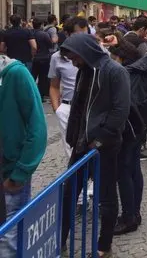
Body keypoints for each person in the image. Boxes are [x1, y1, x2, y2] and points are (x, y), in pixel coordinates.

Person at [60, 33, 131, 258]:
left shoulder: (115, 71)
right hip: (82, 145)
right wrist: (73, 136)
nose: (73, 62)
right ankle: (60, 240)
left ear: (85, 52)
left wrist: (99, 140)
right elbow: (79, 106)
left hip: (104, 147)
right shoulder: (84, 70)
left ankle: (104, 246)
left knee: (106, 197)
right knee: (69, 193)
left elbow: (120, 111)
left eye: (75, 57)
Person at [0, 54, 47, 256]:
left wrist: (19, 173)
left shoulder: (16, 74)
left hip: (9, 174)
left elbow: (37, 128)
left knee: (8, 239)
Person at [107, 38, 146, 236]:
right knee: (134, 170)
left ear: (121, 58)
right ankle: (134, 212)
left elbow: (122, 104)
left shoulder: (124, 74)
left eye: (113, 57)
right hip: (138, 125)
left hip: (128, 127)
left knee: (124, 171)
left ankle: (129, 216)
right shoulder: (137, 69)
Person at [48, 19, 80, 158]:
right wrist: (58, 109)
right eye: (77, 34)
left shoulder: (94, 54)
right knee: (70, 150)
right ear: (67, 34)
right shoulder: (57, 58)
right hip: (67, 107)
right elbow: (54, 85)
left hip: (90, 108)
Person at [30, 17, 53, 100]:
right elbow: (50, 45)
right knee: (43, 78)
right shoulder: (44, 34)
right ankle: (41, 95)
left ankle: (31, 93)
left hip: (33, 58)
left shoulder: (30, 33)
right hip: (44, 58)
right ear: (41, 25)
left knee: (32, 77)